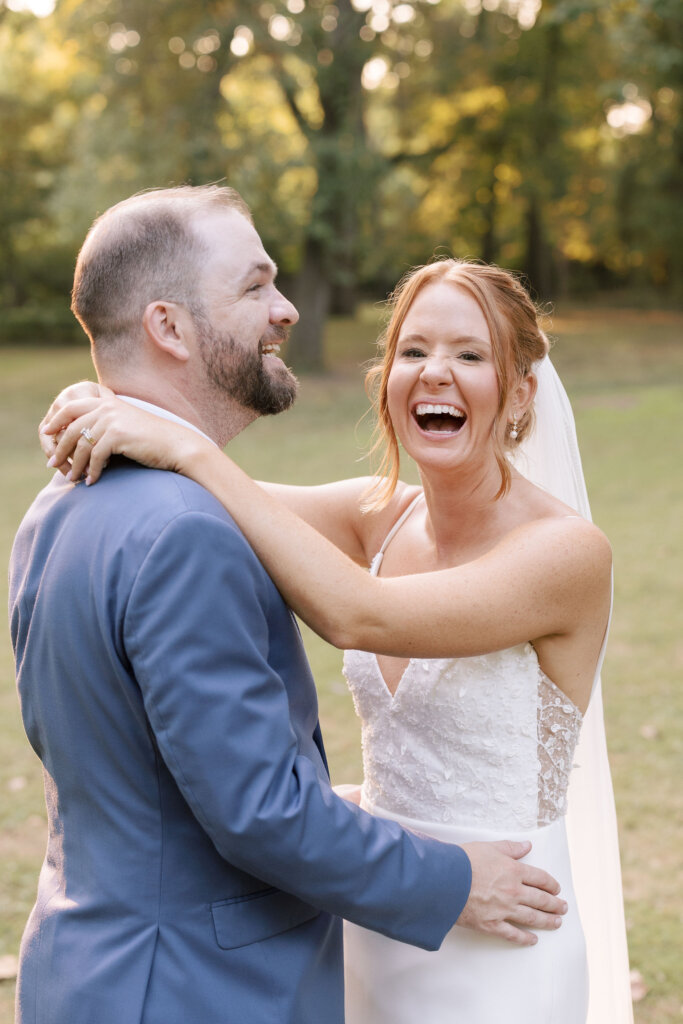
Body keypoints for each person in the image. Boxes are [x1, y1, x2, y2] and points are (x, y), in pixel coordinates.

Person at [10, 188, 569, 1024]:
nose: (287, 309)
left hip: (95, 963)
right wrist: (450, 877)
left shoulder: (63, 502)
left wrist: (174, 439)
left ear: (521, 391)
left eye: (471, 355)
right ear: (169, 327)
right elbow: (260, 814)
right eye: (254, 287)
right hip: (191, 987)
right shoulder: (186, 531)